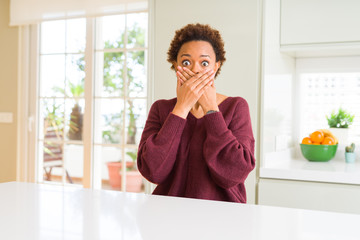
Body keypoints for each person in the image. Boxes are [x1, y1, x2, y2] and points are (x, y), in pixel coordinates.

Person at [137, 23, 255, 203]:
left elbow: (235, 173)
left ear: (216, 67)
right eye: (186, 62)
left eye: (204, 63)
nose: (195, 70)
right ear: (176, 66)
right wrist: (181, 108)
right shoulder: (161, 109)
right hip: (167, 216)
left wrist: (212, 110)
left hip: (223, 219)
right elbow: (153, 171)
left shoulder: (236, 107)